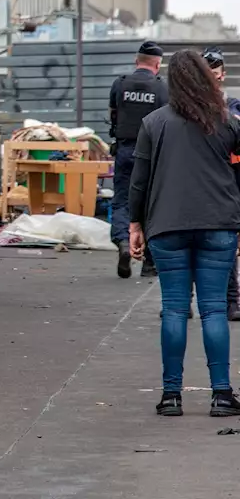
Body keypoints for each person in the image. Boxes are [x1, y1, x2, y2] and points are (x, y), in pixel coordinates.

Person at [129, 50, 240, 417]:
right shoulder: (227, 121)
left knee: (174, 310)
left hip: (167, 225)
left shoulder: (153, 123)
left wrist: (135, 224)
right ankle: (222, 396)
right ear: (208, 78)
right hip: (218, 224)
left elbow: (139, 182)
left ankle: (171, 396)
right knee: (213, 311)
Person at [110, 41, 167, 279]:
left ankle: (124, 242)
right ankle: (150, 263)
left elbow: (114, 115)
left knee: (123, 200)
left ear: (137, 61)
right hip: (152, 154)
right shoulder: (161, 88)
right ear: (157, 63)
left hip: (124, 150)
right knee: (153, 204)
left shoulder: (120, 84)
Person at [204, 47, 240, 321]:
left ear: (222, 76)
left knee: (226, 244)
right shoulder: (188, 109)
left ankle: (232, 302)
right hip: (200, 182)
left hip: (228, 183)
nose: (212, 80)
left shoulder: (234, 108)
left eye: (215, 74)